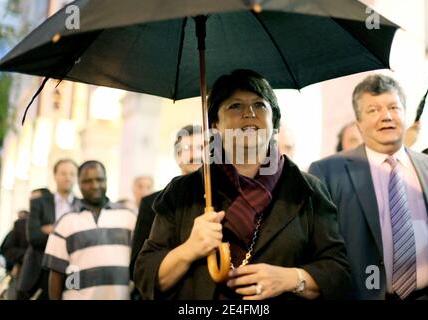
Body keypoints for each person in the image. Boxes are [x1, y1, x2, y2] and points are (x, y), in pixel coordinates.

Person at [134, 69, 351, 300]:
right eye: (235, 106)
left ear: (274, 121)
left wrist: (291, 279)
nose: (249, 113)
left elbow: (338, 272)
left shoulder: (307, 190)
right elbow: (145, 275)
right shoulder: (183, 192)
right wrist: (189, 249)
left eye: (259, 105)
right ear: (215, 123)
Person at [309, 74, 428, 300]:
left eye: (394, 107)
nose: (386, 116)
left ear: (406, 114)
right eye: (373, 110)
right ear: (358, 124)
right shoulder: (328, 173)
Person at [43, 161, 136, 300]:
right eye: (87, 181)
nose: (94, 186)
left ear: (106, 180)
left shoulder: (128, 218)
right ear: (78, 184)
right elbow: (56, 275)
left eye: (99, 179)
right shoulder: (66, 222)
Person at [129, 125, 203, 299]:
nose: (195, 154)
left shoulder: (221, 199)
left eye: (201, 148)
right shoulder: (152, 203)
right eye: (187, 149)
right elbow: (137, 267)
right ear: (178, 157)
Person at [17, 159, 80, 300]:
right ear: (55, 175)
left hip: (70, 272)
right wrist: (65, 236)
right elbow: (34, 237)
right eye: (63, 173)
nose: (67, 177)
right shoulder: (39, 201)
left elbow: (80, 242)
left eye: (72, 173)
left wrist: (52, 230)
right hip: (39, 271)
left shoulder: (81, 205)